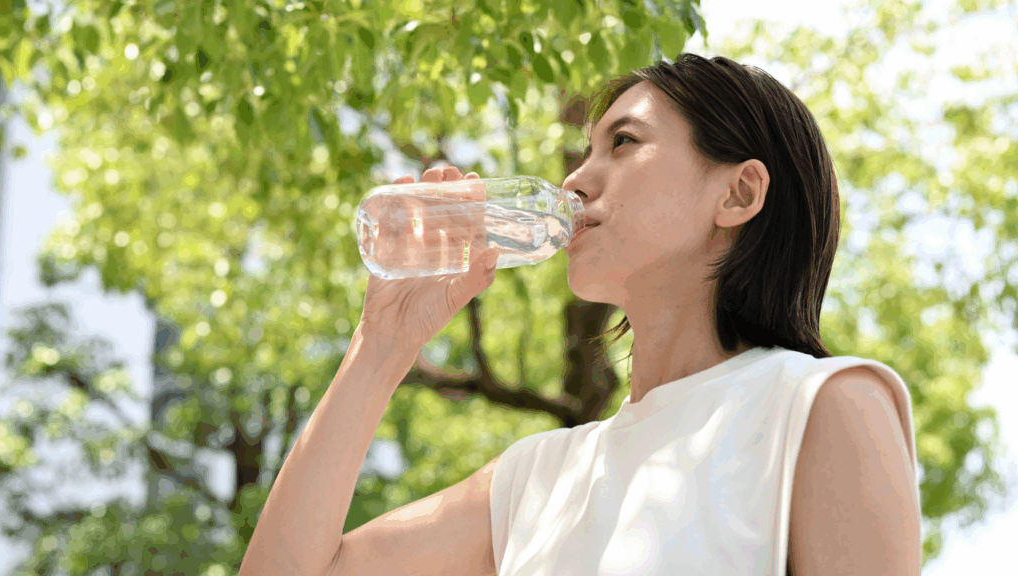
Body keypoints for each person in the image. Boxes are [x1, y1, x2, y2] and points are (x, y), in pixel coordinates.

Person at [241, 53, 922, 576]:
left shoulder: (820, 406)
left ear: (739, 193)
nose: (574, 179)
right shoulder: (535, 477)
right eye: (587, 148)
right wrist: (382, 343)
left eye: (623, 143)